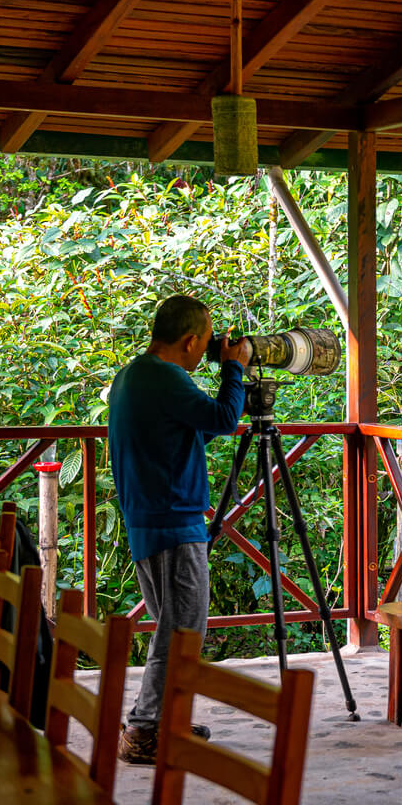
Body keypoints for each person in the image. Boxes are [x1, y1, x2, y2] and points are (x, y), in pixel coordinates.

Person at [109, 295, 249, 764]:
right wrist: (234, 370)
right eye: (206, 342)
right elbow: (223, 420)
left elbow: (187, 432)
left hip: (148, 520)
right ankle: (144, 729)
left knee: (172, 629)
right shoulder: (167, 378)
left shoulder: (133, 375)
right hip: (173, 522)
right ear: (190, 341)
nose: (208, 350)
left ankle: (166, 718)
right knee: (182, 632)